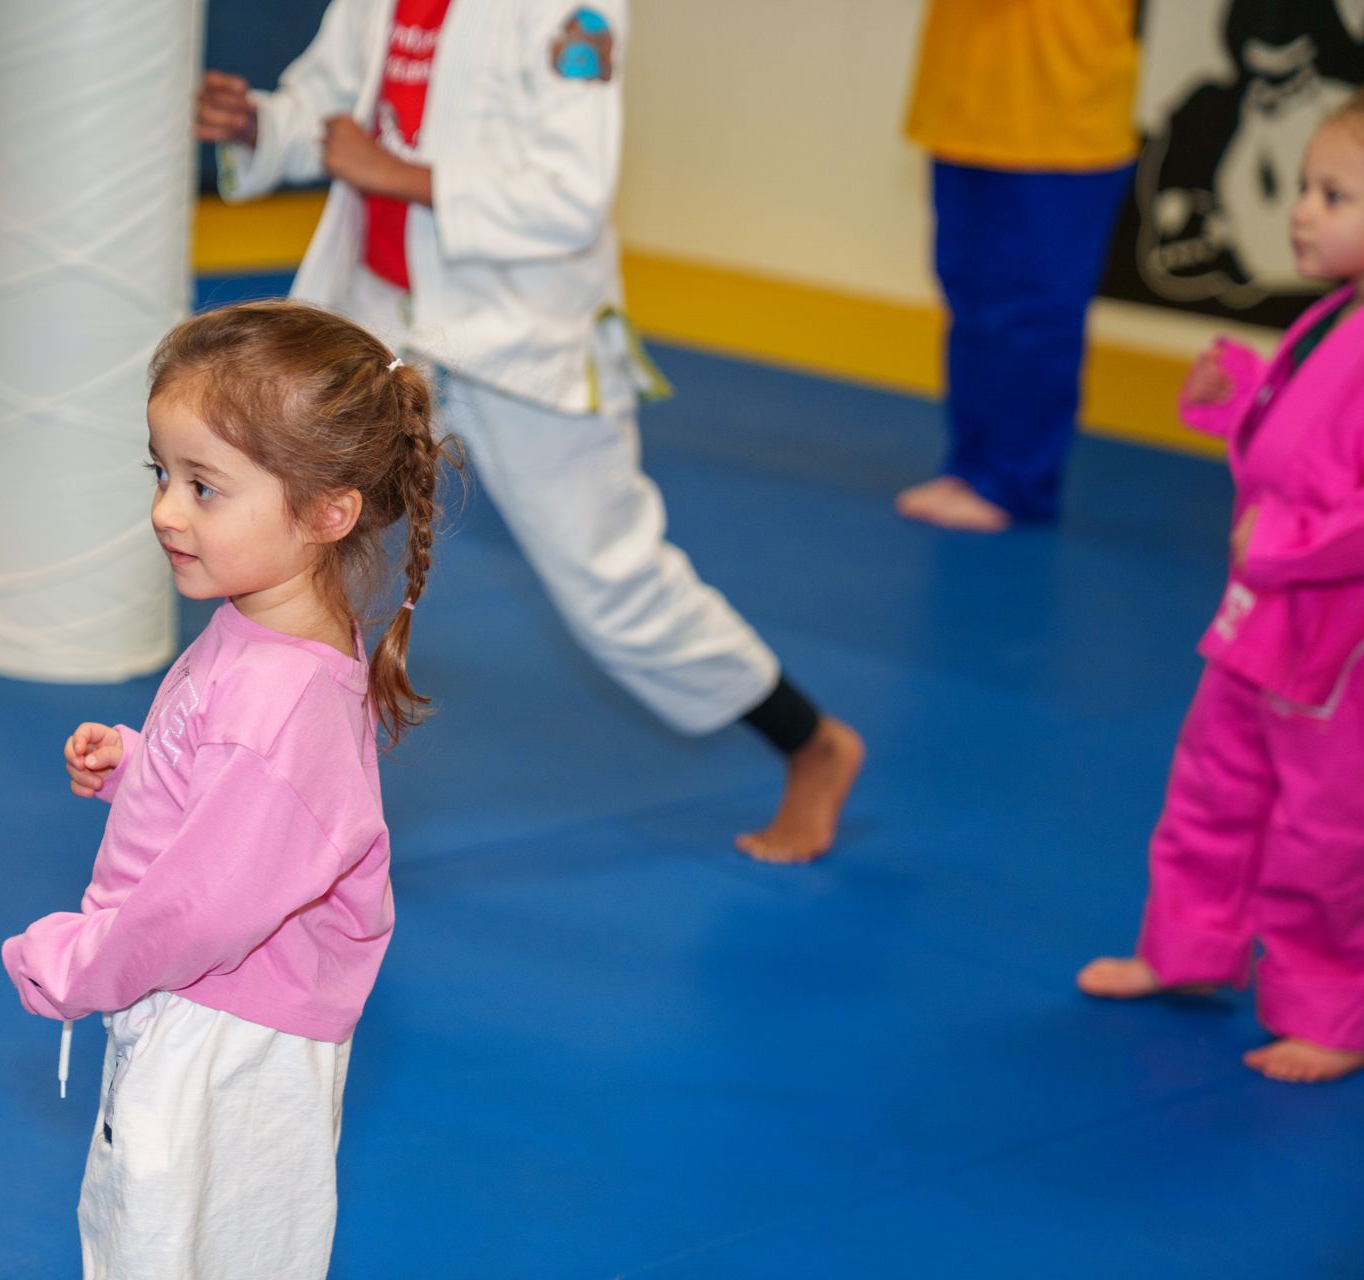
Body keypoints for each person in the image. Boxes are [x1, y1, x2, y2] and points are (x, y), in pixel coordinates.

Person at [195, 0, 863, 862]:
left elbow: (570, 192)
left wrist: (396, 173)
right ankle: (273, 787)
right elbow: (325, 105)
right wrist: (262, 122)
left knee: (614, 591)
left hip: (519, 342)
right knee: (297, 533)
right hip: (380, 320)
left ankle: (813, 742)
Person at [1, 300, 455, 1276]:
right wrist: (140, 761)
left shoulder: (282, 699)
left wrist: (78, 965)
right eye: (161, 473)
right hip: (210, 1009)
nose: (168, 508)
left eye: (206, 486)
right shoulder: (269, 620)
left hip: (221, 1032)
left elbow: (203, 905)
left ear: (326, 511)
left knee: (178, 1253)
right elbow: (244, 809)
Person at [1077, 92, 1364, 1085]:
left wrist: (1279, 542)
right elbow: (1303, 446)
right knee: (1215, 781)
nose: (1302, 210)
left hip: (1337, 640)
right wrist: (1237, 392)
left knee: (1325, 824)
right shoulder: (1333, 314)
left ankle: (1330, 1004)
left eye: (1336, 195)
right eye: (1306, 186)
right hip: (1259, 616)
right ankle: (1187, 946)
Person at [896, 0, 1140, 532]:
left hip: (1057, 114)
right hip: (966, 106)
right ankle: (971, 466)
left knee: (1035, 314)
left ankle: (1017, 482)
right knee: (972, 302)